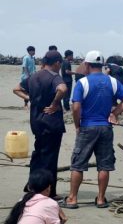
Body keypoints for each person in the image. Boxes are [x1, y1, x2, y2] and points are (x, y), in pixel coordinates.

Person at [60, 50, 123, 209]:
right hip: (106, 127)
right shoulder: (112, 81)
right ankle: (100, 198)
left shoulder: (83, 83)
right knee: (104, 165)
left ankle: (72, 199)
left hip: (87, 127)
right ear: (101, 65)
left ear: (87, 65)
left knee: (78, 164)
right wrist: (114, 113)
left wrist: (77, 124)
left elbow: (76, 106)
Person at [26, 50, 67, 200]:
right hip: (51, 122)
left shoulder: (34, 76)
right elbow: (62, 89)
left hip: (36, 121)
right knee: (50, 158)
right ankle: (49, 192)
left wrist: (30, 99)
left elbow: (16, 88)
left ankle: (32, 185)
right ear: (57, 63)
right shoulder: (54, 76)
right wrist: (55, 103)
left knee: (38, 154)